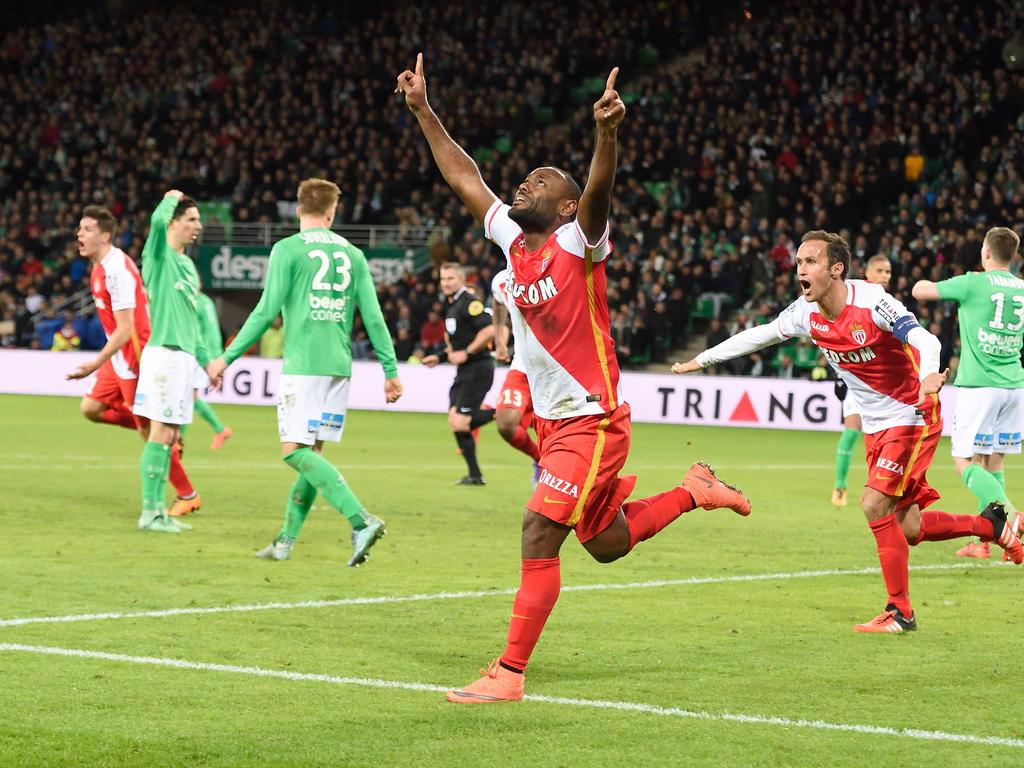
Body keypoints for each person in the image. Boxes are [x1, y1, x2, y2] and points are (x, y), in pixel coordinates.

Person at [397, 54, 750, 704]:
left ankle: (508, 673)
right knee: (607, 543)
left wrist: (606, 136)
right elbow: (466, 176)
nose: (522, 186)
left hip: (593, 418)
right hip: (559, 420)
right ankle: (695, 492)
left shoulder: (577, 243)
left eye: (539, 183)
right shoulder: (514, 243)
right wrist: (423, 111)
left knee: (538, 530)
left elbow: (598, 193)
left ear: (563, 205)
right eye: (523, 181)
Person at [673, 230, 1023, 633]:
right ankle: (993, 525)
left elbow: (925, 339)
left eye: (811, 262)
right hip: (877, 426)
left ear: (836, 269)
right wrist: (702, 359)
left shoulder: (872, 302)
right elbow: (762, 335)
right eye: (799, 262)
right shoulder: (805, 313)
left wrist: (929, 375)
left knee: (874, 503)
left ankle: (900, 612)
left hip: (912, 414)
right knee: (910, 528)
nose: (800, 269)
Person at [206, 178, 402, 567]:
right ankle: (285, 542)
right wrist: (390, 370)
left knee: (293, 452)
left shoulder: (287, 249)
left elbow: (265, 311)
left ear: (298, 210)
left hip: (304, 366)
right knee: (313, 455)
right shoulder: (354, 254)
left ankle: (360, 518)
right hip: (338, 368)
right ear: (332, 212)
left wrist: (225, 358)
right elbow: (374, 317)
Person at [67, 205, 199, 515]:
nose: (79, 235)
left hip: (134, 355)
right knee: (91, 409)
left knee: (148, 433)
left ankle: (187, 493)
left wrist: (94, 363)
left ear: (105, 236)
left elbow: (127, 329)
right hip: (119, 358)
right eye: (80, 229)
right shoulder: (100, 267)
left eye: (86, 230)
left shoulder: (117, 270)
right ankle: (166, 434)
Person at [912, 227, 1024, 559]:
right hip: (1015, 386)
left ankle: (1012, 515)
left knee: (965, 462)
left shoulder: (973, 281)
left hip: (980, 386)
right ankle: (986, 543)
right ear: (1014, 257)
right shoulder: (1021, 288)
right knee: (994, 461)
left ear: (985, 253)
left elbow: (922, 291)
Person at [132, 190, 210, 533]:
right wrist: (168, 198)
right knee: (160, 432)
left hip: (184, 358)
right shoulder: (160, 255)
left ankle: (159, 512)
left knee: (171, 435)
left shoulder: (189, 267)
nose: (198, 225)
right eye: (191, 219)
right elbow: (154, 222)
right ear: (174, 224)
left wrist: (208, 362)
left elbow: (193, 322)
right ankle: (149, 513)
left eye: (198, 219)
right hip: (163, 354)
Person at [421, 262, 496, 485]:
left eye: (451, 279)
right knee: (455, 420)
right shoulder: (452, 306)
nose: (446, 283)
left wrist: (468, 352)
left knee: (460, 422)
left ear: (462, 280)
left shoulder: (469, 303)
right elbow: (457, 343)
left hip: (479, 368)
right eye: (443, 279)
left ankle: (503, 414)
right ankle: (475, 475)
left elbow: (490, 330)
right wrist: (441, 357)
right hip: (465, 371)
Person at [832, 254, 893, 506]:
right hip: (858, 384)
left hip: (884, 385)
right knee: (851, 431)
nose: (885, 276)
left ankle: (878, 488)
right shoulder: (855, 297)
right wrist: (839, 374)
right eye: (880, 271)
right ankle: (840, 487)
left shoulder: (889, 302)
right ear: (869, 273)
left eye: (888, 272)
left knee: (882, 438)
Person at [491, 267, 540, 486]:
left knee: (555, 430)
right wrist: (500, 340)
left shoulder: (557, 268)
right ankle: (540, 459)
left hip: (559, 372)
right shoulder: (501, 281)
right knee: (506, 423)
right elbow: (498, 305)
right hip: (522, 368)